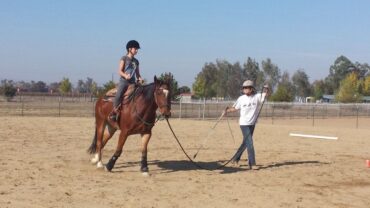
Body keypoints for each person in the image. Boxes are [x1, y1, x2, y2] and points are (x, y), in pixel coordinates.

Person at [223, 80, 269, 170]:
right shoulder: (241, 98)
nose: (245, 89)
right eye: (244, 88)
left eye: (247, 87)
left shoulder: (257, 97)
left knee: (246, 143)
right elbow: (235, 108)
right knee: (250, 143)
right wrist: (226, 111)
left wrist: (267, 88)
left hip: (252, 124)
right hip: (244, 124)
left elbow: (266, 94)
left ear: (251, 89)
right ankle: (252, 163)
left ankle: (235, 158)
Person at [109, 40, 144, 123]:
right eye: (135, 49)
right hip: (124, 82)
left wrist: (140, 78)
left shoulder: (136, 61)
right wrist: (125, 76)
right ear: (129, 49)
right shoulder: (124, 58)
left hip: (133, 82)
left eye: (137, 49)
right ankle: (114, 113)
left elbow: (137, 74)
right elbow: (120, 71)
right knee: (119, 94)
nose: (137, 50)